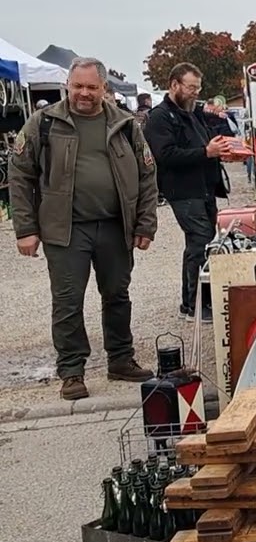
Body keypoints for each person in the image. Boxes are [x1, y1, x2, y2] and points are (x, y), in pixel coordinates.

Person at [8, 56, 159, 400]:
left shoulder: (126, 124)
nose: (84, 93)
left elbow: (148, 174)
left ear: (104, 89)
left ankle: (120, 359)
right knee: (67, 301)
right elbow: (19, 176)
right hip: (65, 230)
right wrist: (25, 229)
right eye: (78, 86)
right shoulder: (43, 123)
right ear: (67, 85)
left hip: (114, 227)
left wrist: (146, 223)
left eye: (92, 87)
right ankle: (72, 371)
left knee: (118, 295)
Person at [144, 63, 238, 322]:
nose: (195, 93)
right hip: (183, 191)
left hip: (205, 188)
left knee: (204, 244)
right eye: (190, 87)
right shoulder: (160, 117)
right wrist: (205, 153)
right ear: (174, 85)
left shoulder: (192, 113)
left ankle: (194, 302)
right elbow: (165, 155)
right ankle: (196, 305)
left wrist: (223, 152)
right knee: (200, 242)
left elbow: (210, 141)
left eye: (198, 88)